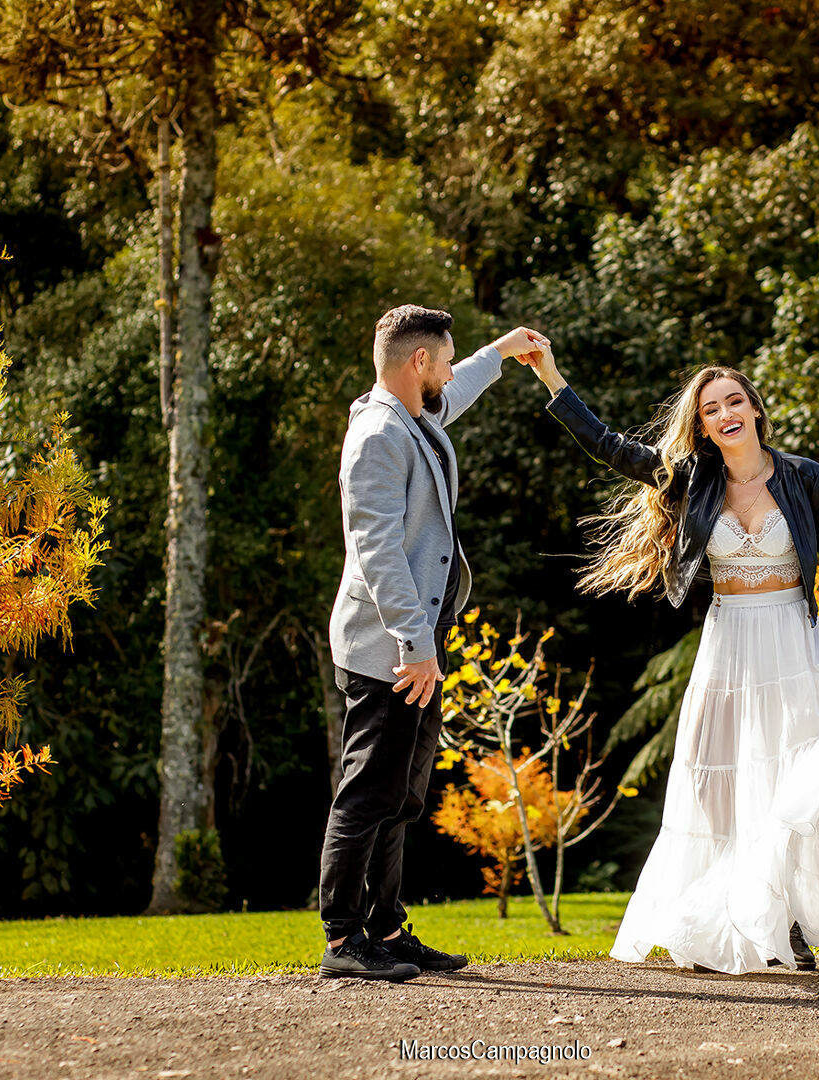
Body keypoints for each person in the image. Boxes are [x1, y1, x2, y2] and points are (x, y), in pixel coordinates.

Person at [525, 346, 819, 973]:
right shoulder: (692, 479)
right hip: (728, 646)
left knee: (787, 785)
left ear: (755, 409)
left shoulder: (805, 478)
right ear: (701, 426)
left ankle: (786, 922)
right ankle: (722, 918)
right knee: (716, 788)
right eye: (710, 409)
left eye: (734, 402)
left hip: (791, 644)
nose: (725, 415)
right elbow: (610, 446)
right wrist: (551, 376)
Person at [319, 304, 546, 981]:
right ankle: (342, 942)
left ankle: (384, 929)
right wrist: (414, 643)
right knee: (367, 792)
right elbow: (377, 550)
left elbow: (458, 392)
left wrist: (499, 354)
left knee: (402, 795)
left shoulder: (413, 418)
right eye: (444, 359)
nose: (450, 369)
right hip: (391, 647)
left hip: (418, 643)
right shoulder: (378, 437)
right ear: (419, 363)